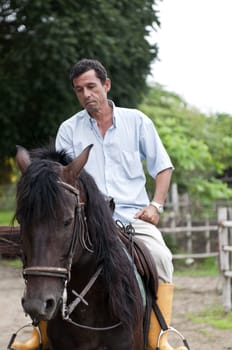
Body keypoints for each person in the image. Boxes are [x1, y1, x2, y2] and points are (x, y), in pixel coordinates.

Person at [12, 59, 187, 350]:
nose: (86, 94)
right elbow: (57, 176)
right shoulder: (69, 129)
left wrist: (156, 205)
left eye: (91, 86)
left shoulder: (137, 121)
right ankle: (39, 332)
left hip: (132, 217)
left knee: (161, 258)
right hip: (85, 219)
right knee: (46, 254)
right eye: (79, 90)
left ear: (106, 85)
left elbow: (163, 167)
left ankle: (159, 336)